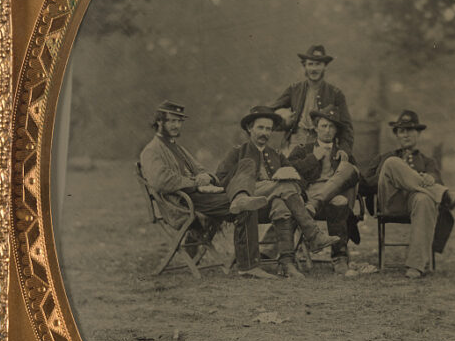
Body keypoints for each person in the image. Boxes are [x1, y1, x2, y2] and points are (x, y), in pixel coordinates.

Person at [139, 100, 274, 278]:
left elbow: (201, 170)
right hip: (184, 203)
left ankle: (244, 195)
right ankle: (248, 265)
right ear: (159, 122)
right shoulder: (152, 150)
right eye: (171, 121)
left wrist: (207, 177)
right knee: (244, 205)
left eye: (179, 121)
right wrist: (196, 182)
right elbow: (160, 181)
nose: (176, 125)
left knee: (247, 164)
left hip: (203, 195)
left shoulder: (177, 147)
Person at [216, 106, 339, 278]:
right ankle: (312, 234)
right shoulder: (238, 152)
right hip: (244, 205)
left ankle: (287, 263)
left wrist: (285, 180)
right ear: (250, 128)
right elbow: (221, 180)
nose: (264, 132)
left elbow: (295, 178)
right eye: (260, 127)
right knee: (284, 187)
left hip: (268, 207)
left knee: (282, 204)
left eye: (268, 129)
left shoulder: (276, 154)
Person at [361, 109, 455, 280]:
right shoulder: (384, 157)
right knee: (392, 163)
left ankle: (416, 266)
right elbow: (366, 185)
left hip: (413, 204)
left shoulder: (428, 162)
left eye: (410, 130)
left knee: (425, 199)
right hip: (389, 200)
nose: (406, 135)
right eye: (402, 131)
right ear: (396, 135)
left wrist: (429, 179)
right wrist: (388, 175)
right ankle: (445, 196)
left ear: (418, 134)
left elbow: (437, 179)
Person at [287, 106, 359, 275]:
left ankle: (340, 257)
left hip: (332, 199)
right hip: (307, 197)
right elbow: (288, 169)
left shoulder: (343, 153)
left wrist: (345, 162)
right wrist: (313, 158)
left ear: (336, 131)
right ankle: (313, 204)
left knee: (340, 198)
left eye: (331, 127)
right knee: (333, 199)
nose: (327, 131)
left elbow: (355, 178)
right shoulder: (303, 150)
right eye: (324, 126)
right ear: (316, 127)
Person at [269, 44, 354, 154]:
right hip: (296, 141)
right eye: (310, 64)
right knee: (289, 169)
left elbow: (346, 127)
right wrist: (284, 122)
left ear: (325, 67)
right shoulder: (294, 89)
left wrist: (344, 150)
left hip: (323, 143)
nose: (314, 69)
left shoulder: (335, 93)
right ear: (305, 66)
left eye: (318, 64)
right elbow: (269, 113)